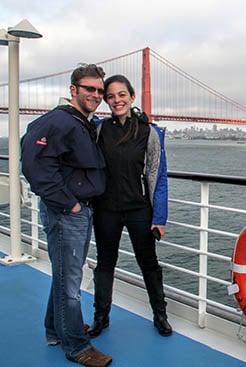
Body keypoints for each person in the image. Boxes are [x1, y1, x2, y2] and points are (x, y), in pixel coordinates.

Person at [21, 64, 112, 367]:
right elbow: (35, 166)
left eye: (100, 90)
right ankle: (76, 345)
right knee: (70, 282)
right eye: (90, 89)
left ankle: (56, 329)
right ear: (73, 90)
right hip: (67, 212)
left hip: (80, 211)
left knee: (64, 277)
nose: (96, 95)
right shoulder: (58, 122)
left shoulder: (82, 122)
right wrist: (69, 204)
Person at [87, 74, 171, 338]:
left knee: (149, 263)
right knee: (105, 264)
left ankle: (160, 315)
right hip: (106, 209)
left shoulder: (150, 132)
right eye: (110, 96)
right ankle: (101, 317)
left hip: (138, 208)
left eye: (121, 95)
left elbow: (158, 177)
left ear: (132, 97)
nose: (116, 100)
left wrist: (160, 217)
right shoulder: (99, 129)